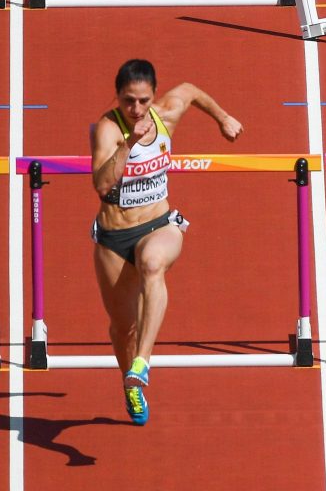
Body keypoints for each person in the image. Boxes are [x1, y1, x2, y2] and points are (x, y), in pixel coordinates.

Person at [90, 59, 243, 425]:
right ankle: (131, 384)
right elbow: (101, 184)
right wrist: (129, 144)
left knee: (153, 265)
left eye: (143, 101)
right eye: (129, 101)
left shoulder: (166, 114)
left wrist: (223, 117)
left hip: (159, 223)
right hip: (113, 237)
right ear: (118, 97)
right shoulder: (108, 129)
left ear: (154, 96)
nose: (137, 109)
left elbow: (190, 89)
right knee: (121, 327)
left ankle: (142, 363)